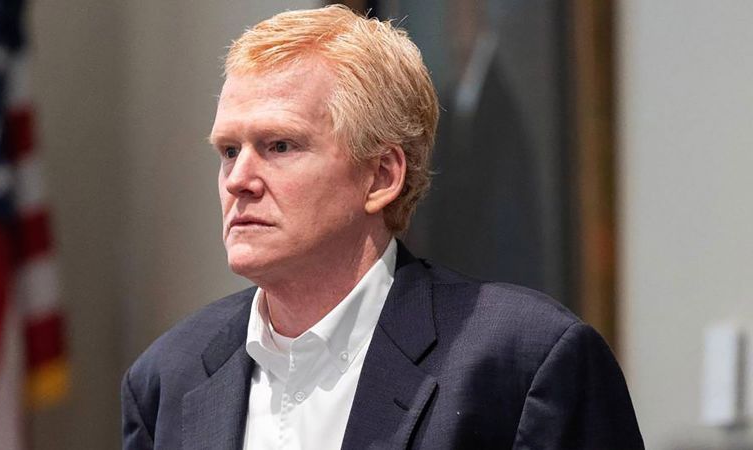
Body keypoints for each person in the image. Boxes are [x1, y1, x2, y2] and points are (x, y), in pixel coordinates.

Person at [121, 5, 644, 450]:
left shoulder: (524, 364)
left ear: (382, 175)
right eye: (229, 151)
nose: (239, 180)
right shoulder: (167, 379)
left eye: (279, 146)